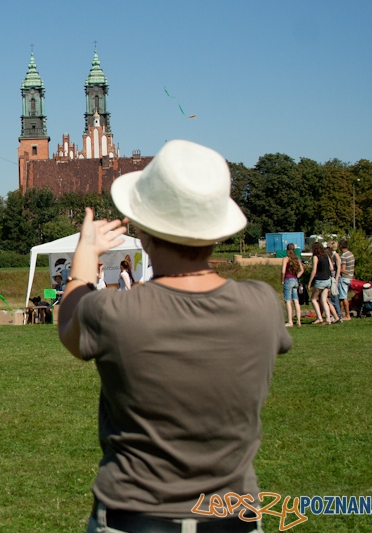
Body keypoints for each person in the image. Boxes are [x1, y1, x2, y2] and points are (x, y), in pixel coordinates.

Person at [58, 140, 291, 533]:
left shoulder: (116, 312)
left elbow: (69, 321)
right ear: (216, 231)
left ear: (145, 232)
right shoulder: (263, 305)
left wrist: (86, 253)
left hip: (135, 516)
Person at [308, 241, 334, 325]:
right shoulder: (326, 255)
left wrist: (310, 282)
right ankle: (328, 319)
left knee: (313, 299)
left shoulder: (316, 257)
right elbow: (331, 267)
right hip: (327, 280)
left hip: (320, 280)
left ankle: (319, 317)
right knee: (323, 300)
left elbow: (314, 270)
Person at [281, 243, 304, 327]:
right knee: (296, 301)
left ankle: (290, 321)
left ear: (287, 249)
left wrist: (282, 280)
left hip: (288, 279)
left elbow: (283, 271)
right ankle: (298, 321)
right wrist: (297, 276)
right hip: (295, 280)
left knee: (288, 301)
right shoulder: (296, 259)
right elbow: (302, 270)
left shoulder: (286, 259)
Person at [339, 239, 355, 320]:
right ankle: (340, 314)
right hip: (350, 277)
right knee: (342, 297)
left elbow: (343, 269)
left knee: (344, 297)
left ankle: (347, 315)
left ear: (341, 246)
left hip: (344, 277)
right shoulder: (351, 254)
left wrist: (337, 271)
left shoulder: (344, 256)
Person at [327, 241, 342, 323]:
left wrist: (336, 279)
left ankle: (338, 316)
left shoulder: (336, 255)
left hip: (335, 277)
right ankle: (335, 314)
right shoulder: (331, 255)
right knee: (332, 297)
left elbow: (338, 267)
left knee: (334, 297)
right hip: (332, 277)